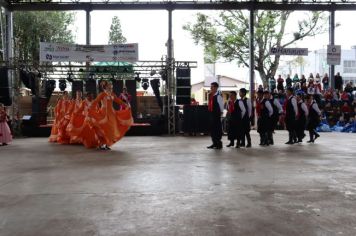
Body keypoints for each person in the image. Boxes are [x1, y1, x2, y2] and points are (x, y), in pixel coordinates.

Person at [89, 80, 133, 150]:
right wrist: (90, 107)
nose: (110, 88)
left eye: (111, 87)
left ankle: (107, 143)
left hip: (111, 114)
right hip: (103, 114)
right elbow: (95, 101)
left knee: (111, 129)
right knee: (103, 129)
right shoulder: (102, 94)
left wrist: (126, 105)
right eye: (109, 86)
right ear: (105, 87)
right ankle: (101, 144)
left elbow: (118, 101)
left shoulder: (112, 94)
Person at [207, 82, 224, 149]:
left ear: (216, 88)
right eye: (210, 87)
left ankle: (218, 144)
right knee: (212, 129)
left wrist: (221, 113)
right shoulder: (211, 95)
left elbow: (221, 106)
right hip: (211, 114)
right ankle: (214, 143)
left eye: (212, 87)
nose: (211, 88)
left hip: (216, 115)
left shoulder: (218, 96)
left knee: (217, 129)